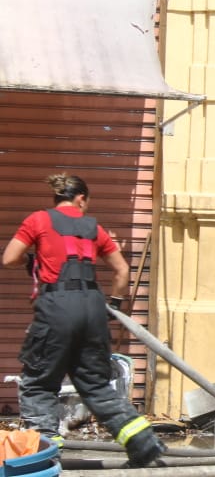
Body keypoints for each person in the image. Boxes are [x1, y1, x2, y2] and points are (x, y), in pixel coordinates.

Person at [1, 173, 165, 467]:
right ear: (80, 199)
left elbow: (9, 258)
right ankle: (143, 443)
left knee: (39, 384)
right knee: (96, 384)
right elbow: (122, 271)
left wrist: (32, 261)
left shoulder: (38, 220)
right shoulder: (94, 228)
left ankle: (44, 453)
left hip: (56, 308)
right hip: (92, 308)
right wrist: (113, 305)